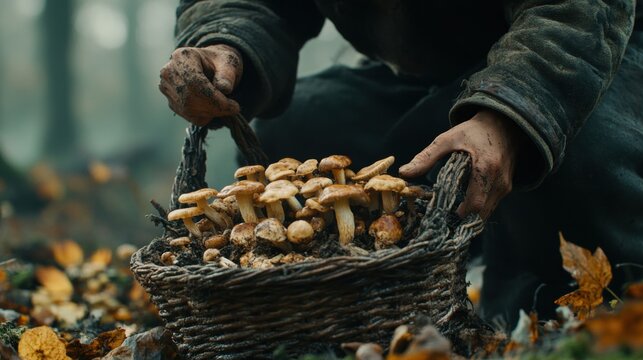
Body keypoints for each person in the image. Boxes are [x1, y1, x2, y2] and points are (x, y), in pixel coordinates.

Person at [158, 0, 643, 326]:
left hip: (584, 63)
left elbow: (576, 12)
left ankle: (545, 295)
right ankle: (368, 300)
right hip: (430, 78)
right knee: (296, 134)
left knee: (577, 156)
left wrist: (511, 113)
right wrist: (224, 43)